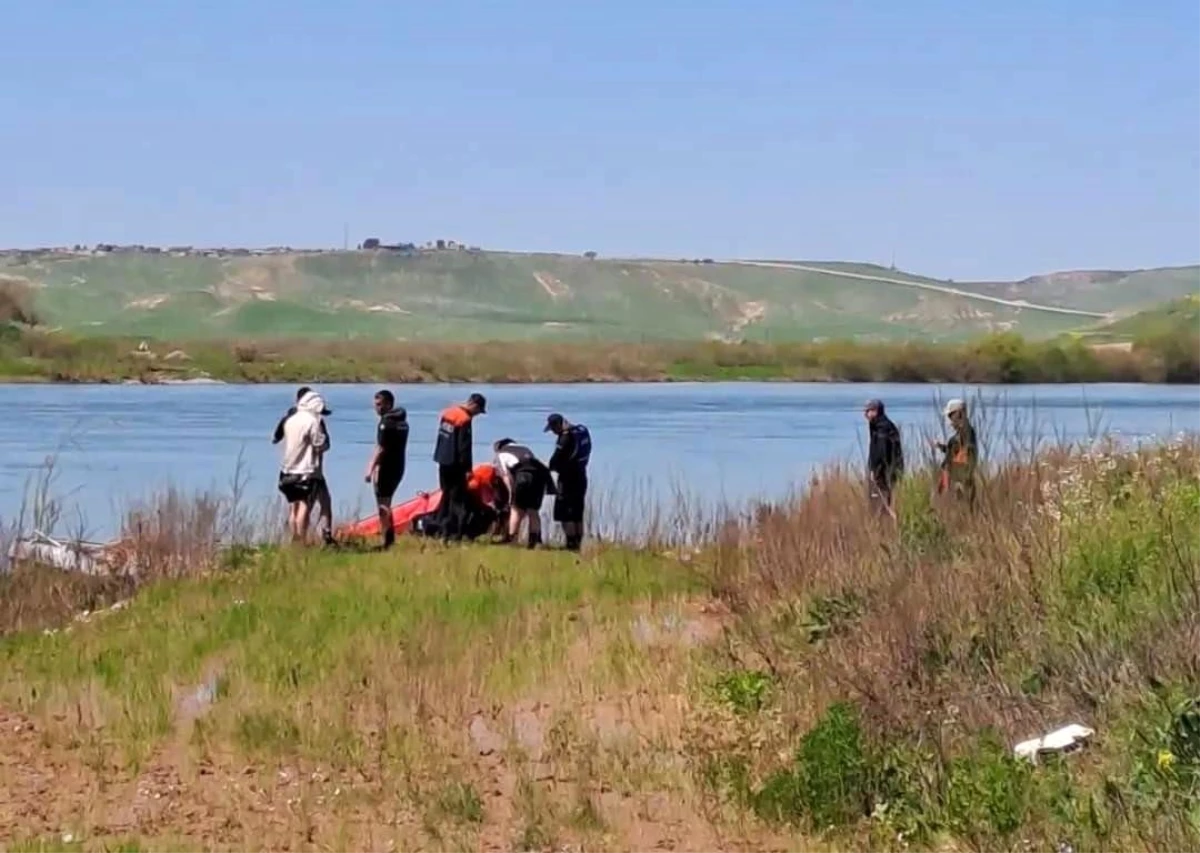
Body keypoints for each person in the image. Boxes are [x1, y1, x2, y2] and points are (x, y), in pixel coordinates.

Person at [273, 386, 334, 544]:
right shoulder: (313, 421)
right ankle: (302, 540)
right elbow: (320, 444)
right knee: (304, 506)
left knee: (293, 506)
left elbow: (277, 437)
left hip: (287, 470)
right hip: (306, 471)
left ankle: (295, 539)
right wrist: (325, 444)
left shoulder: (290, 419)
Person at [431, 392, 487, 541]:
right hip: (456, 466)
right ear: (474, 405)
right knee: (457, 500)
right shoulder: (464, 419)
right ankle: (456, 533)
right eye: (478, 411)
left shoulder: (448, 412)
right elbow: (464, 448)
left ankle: (441, 529)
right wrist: (467, 469)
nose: (476, 415)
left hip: (442, 461)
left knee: (445, 496)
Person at [363, 389, 409, 550]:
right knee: (387, 502)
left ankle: (387, 540)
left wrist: (370, 468)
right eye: (376, 405)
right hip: (399, 466)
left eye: (380, 404)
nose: (377, 408)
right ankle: (389, 539)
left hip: (387, 467)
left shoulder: (386, 423)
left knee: (382, 504)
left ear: (389, 404)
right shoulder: (402, 422)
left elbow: (381, 448)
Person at [493, 438, 556, 548]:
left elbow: (506, 476)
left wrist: (511, 493)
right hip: (539, 477)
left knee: (516, 509)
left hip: (523, 477)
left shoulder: (501, 454)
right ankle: (534, 541)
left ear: (499, 447)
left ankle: (511, 540)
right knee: (533, 510)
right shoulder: (525, 449)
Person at [545, 413, 591, 551]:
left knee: (565, 512)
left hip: (567, 478)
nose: (553, 433)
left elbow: (556, 459)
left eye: (553, 429)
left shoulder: (565, 438)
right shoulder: (582, 430)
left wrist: (548, 466)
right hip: (581, 475)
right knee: (577, 512)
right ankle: (578, 543)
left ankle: (571, 544)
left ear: (558, 425)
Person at [931, 398, 979, 506]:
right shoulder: (962, 433)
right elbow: (954, 453)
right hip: (955, 481)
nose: (949, 421)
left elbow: (965, 459)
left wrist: (956, 482)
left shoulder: (966, 433)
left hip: (958, 483)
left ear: (959, 414)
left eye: (950, 416)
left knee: (958, 510)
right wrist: (941, 447)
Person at [864, 399, 904, 517]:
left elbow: (881, 452)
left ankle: (885, 528)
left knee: (881, 504)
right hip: (888, 471)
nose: (865, 415)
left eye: (868, 411)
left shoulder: (882, 427)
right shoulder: (879, 425)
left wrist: (875, 471)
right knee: (882, 502)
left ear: (875, 411)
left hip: (885, 472)